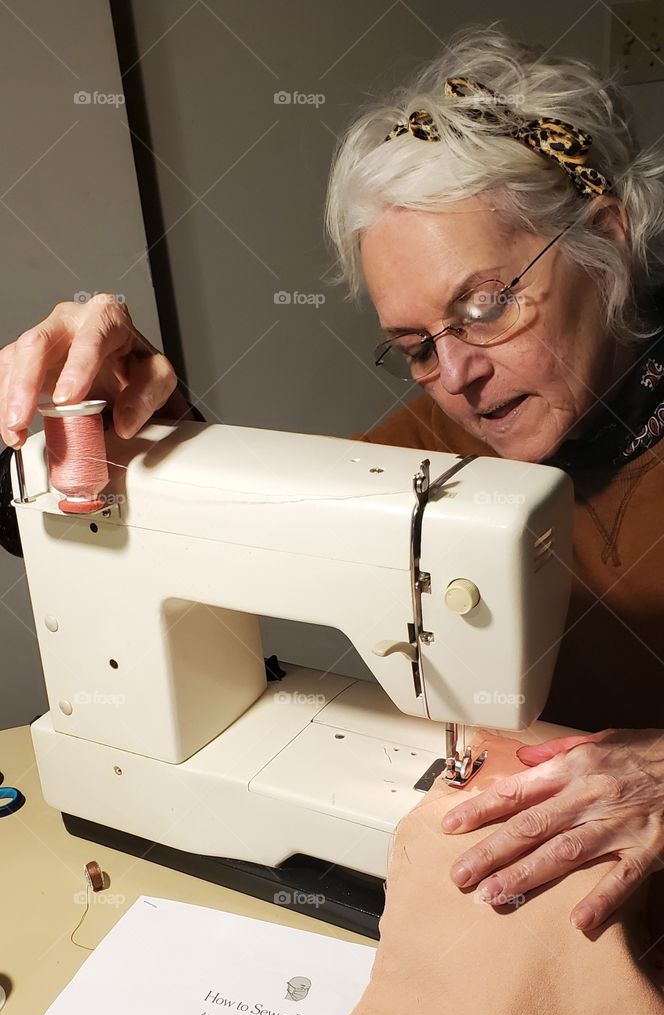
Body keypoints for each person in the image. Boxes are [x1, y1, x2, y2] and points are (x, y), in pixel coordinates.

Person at [1, 25, 664, 934]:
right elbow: (277, 531)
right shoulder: (444, 438)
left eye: (486, 306)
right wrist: (115, 434)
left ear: (607, 242)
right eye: (416, 346)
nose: (460, 375)